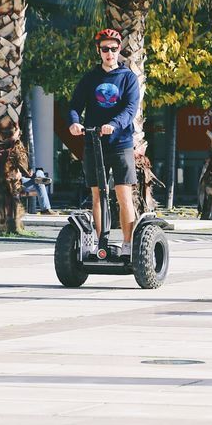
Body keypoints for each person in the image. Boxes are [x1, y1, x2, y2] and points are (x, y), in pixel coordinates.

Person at [67, 28, 141, 256]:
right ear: (98, 51)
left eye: (114, 48)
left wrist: (115, 124)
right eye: (105, 49)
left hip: (120, 143)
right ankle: (100, 243)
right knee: (97, 193)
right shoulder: (91, 78)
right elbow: (74, 105)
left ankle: (128, 244)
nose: (110, 53)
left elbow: (130, 108)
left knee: (123, 193)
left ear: (119, 50)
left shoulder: (128, 78)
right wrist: (74, 122)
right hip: (93, 142)